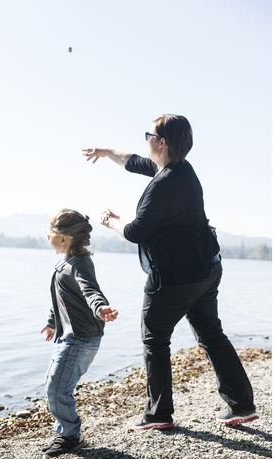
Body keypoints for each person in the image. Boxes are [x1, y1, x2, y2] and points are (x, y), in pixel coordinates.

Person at [82, 114, 258, 431]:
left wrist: (109, 221)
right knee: (212, 335)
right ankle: (242, 405)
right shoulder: (179, 170)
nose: (145, 140)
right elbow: (133, 161)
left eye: (148, 135)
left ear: (161, 142)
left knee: (154, 337)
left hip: (176, 277)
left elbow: (135, 231)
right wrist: (106, 151)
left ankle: (158, 414)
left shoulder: (162, 186)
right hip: (207, 269)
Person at [39, 209, 119, 458]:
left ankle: (70, 435)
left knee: (57, 387)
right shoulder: (64, 263)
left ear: (63, 238)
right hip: (68, 336)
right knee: (54, 385)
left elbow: (90, 291)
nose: (46, 237)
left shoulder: (80, 263)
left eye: (50, 233)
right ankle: (67, 432)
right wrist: (53, 322)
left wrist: (101, 308)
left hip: (81, 338)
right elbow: (60, 298)